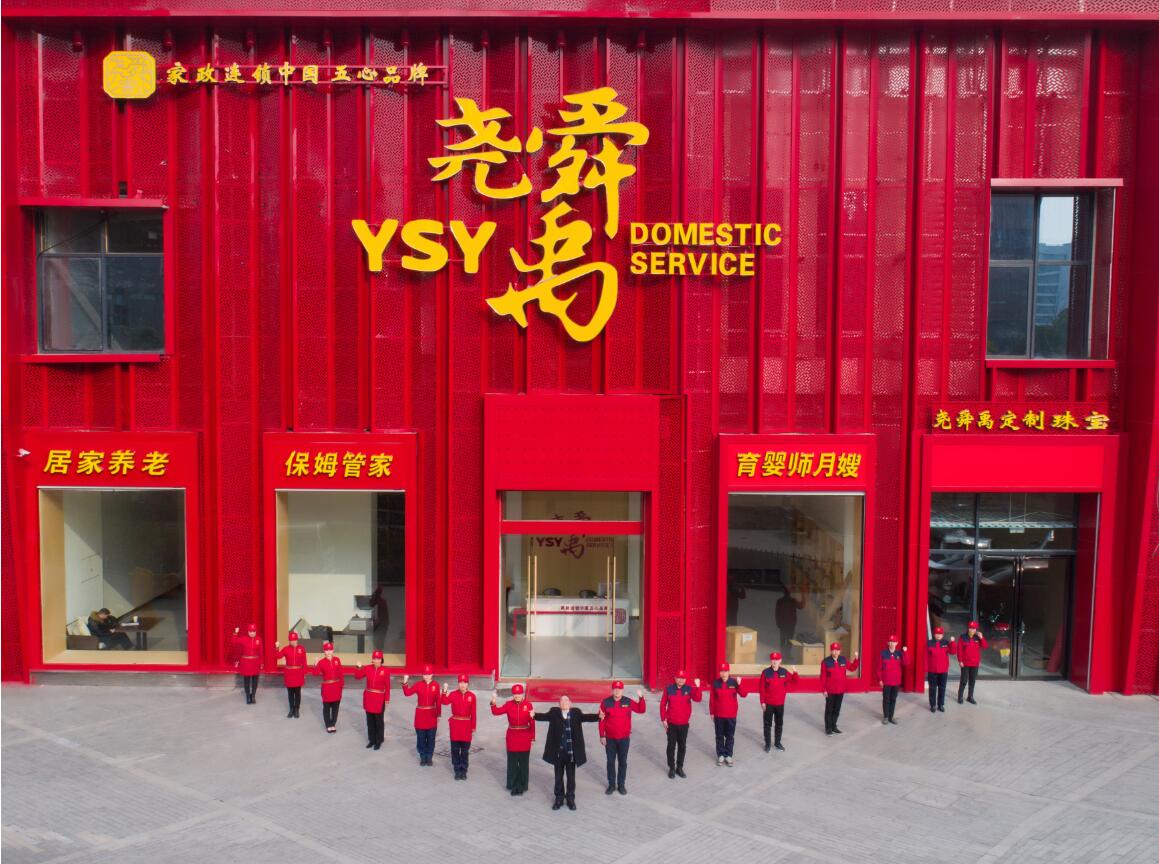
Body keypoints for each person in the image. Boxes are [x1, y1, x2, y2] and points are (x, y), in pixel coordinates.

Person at [534, 695, 600, 810]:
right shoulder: (554, 713)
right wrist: (533, 715)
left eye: (566, 700)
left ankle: (570, 799)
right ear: (559, 704)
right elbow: (543, 716)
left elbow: (587, 717)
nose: (564, 702)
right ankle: (559, 798)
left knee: (571, 778)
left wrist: (599, 716)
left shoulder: (576, 713)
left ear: (570, 703)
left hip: (571, 753)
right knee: (558, 778)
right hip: (558, 753)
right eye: (561, 700)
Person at [598, 681, 646, 795]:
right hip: (610, 739)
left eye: (619, 689)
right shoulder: (605, 702)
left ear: (622, 690)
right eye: (615, 689)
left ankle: (621, 785)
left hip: (624, 738)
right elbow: (601, 720)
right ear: (612, 690)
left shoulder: (628, 701)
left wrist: (641, 698)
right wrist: (602, 735)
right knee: (610, 762)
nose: (617, 691)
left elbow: (641, 710)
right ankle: (611, 785)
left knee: (622, 762)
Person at [491, 684, 535, 796]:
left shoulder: (528, 705)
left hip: (525, 737)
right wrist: (493, 702)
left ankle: (523, 786)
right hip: (512, 737)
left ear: (522, 694)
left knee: (524, 763)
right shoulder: (508, 704)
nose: (517, 696)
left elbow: (532, 722)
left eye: (519, 693)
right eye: (515, 694)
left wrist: (532, 737)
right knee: (512, 763)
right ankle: (513, 785)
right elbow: (496, 712)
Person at [659, 670, 701, 778]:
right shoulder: (669, 689)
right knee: (671, 747)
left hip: (684, 724)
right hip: (671, 724)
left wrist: (698, 687)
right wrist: (663, 719)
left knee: (682, 746)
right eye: (679, 678)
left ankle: (679, 767)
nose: (681, 680)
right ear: (675, 678)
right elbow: (663, 704)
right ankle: (672, 768)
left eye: (683, 678)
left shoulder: (689, 689)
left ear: (685, 679)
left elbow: (698, 699)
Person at [757, 652, 799, 752]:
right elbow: (761, 688)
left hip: (780, 703)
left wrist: (795, 673)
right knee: (767, 725)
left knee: (779, 724)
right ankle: (767, 744)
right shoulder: (766, 672)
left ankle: (777, 743)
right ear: (771, 661)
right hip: (768, 703)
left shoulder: (784, 672)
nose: (774, 661)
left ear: (780, 661)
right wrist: (762, 702)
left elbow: (794, 681)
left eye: (776, 659)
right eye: (773, 659)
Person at [709, 662, 749, 766]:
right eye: (721, 671)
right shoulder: (715, 683)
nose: (723, 674)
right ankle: (721, 755)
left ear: (728, 672)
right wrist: (712, 713)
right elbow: (712, 699)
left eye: (725, 671)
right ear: (719, 672)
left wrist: (740, 684)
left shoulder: (734, 682)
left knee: (730, 736)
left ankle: (728, 755)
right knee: (719, 736)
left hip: (731, 715)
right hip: (719, 715)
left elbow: (744, 694)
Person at [402, 665, 443, 766]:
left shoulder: (436, 685)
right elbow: (407, 693)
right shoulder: (418, 685)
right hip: (420, 715)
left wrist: (438, 714)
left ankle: (429, 757)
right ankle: (422, 756)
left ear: (432, 674)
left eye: (429, 674)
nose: (427, 676)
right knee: (421, 738)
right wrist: (405, 681)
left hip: (432, 715)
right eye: (425, 674)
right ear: (422, 675)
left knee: (431, 738)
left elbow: (438, 701)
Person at [440, 674, 477, 780]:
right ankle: (457, 770)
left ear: (468, 684)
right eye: (460, 682)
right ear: (458, 683)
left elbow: (473, 713)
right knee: (455, 750)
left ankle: (464, 770)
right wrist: (444, 691)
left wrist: (473, 727)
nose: (462, 685)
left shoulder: (472, 696)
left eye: (465, 683)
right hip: (455, 726)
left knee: (465, 751)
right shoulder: (453, 694)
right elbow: (444, 702)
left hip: (466, 726)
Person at [353, 650, 391, 750]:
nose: (376, 660)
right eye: (374, 658)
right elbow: (357, 677)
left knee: (379, 721)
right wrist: (358, 667)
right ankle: (372, 739)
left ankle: (379, 740)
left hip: (379, 698)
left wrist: (387, 699)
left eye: (378, 659)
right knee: (370, 720)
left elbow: (387, 686)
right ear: (372, 659)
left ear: (381, 659)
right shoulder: (367, 668)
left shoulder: (386, 671)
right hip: (369, 697)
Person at [819, 642, 860, 735]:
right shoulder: (825, 662)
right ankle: (828, 728)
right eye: (833, 650)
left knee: (837, 709)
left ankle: (834, 726)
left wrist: (856, 659)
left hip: (840, 690)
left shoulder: (843, 660)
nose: (835, 652)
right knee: (829, 710)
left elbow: (852, 668)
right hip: (830, 690)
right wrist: (824, 689)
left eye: (837, 650)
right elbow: (823, 677)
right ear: (831, 651)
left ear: (840, 651)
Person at [311, 642, 344, 733]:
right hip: (327, 688)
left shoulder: (337, 660)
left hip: (336, 687)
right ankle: (328, 724)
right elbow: (315, 674)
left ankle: (333, 723)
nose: (329, 652)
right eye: (327, 650)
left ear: (333, 650)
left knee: (335, 707)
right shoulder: (322, 662)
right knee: (326, 707)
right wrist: (315, 664)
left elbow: (340, 674)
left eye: (330, 650)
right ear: (324, 651)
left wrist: (341, 686)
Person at [274, 631, 307, 718]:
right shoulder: (286, 649)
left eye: (295, 640)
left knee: (297, 692)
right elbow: (278, 656)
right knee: (290, 693)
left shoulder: (302, 649)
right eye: (292, 640)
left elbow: (304, 662)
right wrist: (277, 647)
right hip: (289, 674)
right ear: (289, 641)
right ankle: (291, 709)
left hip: (298, 673)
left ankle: (297, 709)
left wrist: (304, 673)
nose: (294, 642)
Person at [877, 636, 908, 725]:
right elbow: (879, 668)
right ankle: (886, 717)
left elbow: (906, 662)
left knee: (893, 699)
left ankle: (891, 717)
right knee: (886, 699)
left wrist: (905, 652)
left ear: (896, 643)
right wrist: (880, 680)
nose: (892, 643)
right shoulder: (883, 654)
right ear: (888, 643)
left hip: (896, 681)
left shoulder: (899, 654)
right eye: (890, 642)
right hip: (886, 681)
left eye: (893, 642)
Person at [956, 621, 988, 705]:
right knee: (964, 680)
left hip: (975, 663)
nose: (972, 630)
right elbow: (959, 650)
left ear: (976, 629)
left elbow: (985, 646)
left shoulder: (977, 637)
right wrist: (960, 660)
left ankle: (970, 697)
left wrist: (981, 637)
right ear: (968, 628)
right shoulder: (963, 637)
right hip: (965, 663)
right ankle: (960, 696)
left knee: (972, 681)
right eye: (970, 628)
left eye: (973, 628)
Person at [230, 624, 262, 705]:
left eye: (253, 631)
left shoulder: (259, 639)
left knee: (255, 680)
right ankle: (248, 696)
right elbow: (233, 642)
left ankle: (253, 696)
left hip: (255, 662)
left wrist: (262, 662)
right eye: (250, 631)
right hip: (246, 662)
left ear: (256, 632)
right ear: (248, 632)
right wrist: (235, 633)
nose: (252, 633)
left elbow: (261, 652)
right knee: (247, 680)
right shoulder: (244, 639)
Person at [926, 626, 955, 714]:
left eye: (940, 634)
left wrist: (953, 643)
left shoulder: (946, 643)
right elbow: (925, 656)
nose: (938, 635)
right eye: (937, 634)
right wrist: (926, 668)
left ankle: (940, 705)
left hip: (943, 670)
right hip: (932, 670)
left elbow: (953, 652)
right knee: (932, 688)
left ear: (942, 635)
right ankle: (933, 705)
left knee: (942, 688)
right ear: (934, 634)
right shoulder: (929, 643)